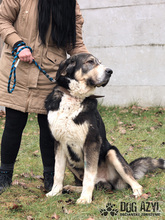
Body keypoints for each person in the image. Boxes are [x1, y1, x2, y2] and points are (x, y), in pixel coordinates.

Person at [0, 0, 88, 194]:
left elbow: (74, 43)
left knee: (48, 127)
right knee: (14, 123)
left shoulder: (69, 5)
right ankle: (4, 176)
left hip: (50, 71)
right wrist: (18, 44)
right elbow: (3, 20)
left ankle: (51, 178)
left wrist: (92, 66)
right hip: (18, 67)